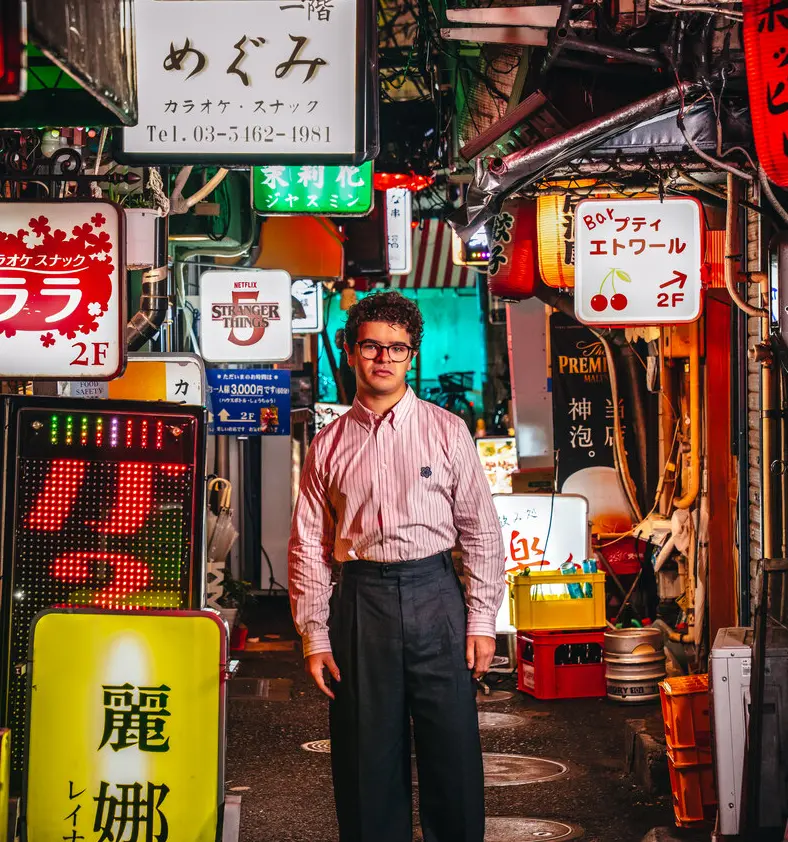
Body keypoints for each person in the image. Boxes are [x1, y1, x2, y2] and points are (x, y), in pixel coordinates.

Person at [289, 291, 505, 842]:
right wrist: (315, 634)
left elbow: (481, 531)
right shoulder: (328, 444)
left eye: (398, 349)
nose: (384, 358)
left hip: (437, 594)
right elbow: (309, 545)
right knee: (365, 757)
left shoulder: (448, 431)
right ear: (350, 349)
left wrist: (482, 621)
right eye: (371, 346)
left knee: (452, 754)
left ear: (412, 357)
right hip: (361, 602)